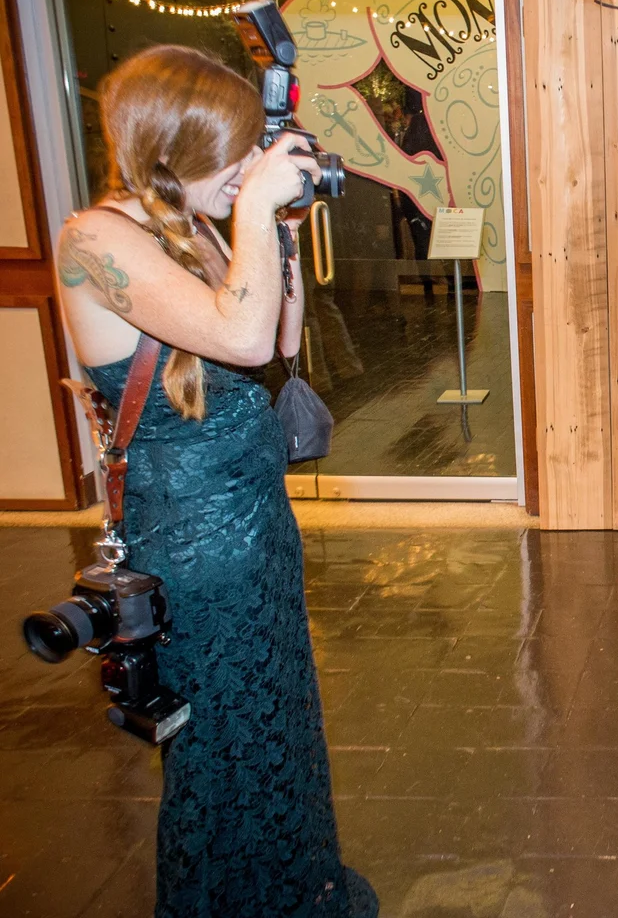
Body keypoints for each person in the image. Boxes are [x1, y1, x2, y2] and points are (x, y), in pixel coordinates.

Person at [53, 45, 377, 916]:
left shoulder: (193, 225)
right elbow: (239, 338)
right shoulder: (94, 240)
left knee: (280, 725)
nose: (245, 170)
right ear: (174, 149)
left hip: (255, 525)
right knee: (222, 750)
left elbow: (279, 340)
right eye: (233, 155)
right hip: (193, 544)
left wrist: (277, 228)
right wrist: (255, 210)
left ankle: (295, 891)